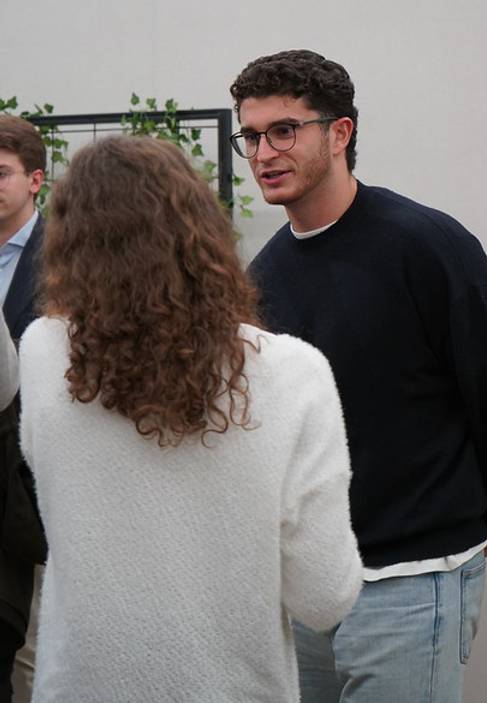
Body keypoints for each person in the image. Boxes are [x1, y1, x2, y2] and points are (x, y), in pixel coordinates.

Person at [229, 49, 487, 703]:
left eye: (284, 129)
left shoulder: (425, 244)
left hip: (410, 583)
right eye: (253, 135)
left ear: (340, 132)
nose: (265, 152)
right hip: (307, 587)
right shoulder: (262, 276)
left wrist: (477, 517)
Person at [0, 133, 362, 703]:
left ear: (67, 244)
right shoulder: (293, 373)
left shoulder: (45, 352)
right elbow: (324, 598)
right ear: (204, 231)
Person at [0, 115, 47, 703]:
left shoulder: (64, 256)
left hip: (31, 476)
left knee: (31, 649)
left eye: (2, 173)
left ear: (36, 180)